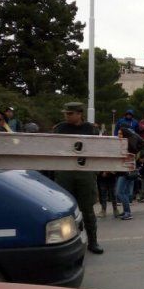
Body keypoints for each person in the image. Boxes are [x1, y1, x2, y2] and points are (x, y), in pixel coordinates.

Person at [52, 102, 104, 254]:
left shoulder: (91, 129)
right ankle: (67, 243)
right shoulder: (60, 129)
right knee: (64, 210)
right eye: (65, 113)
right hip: (65, 172)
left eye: (70, 113)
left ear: (79, 114)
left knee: (87, 209)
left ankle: (93, 241)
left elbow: (98, 149)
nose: (66, 116)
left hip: (85, 172)